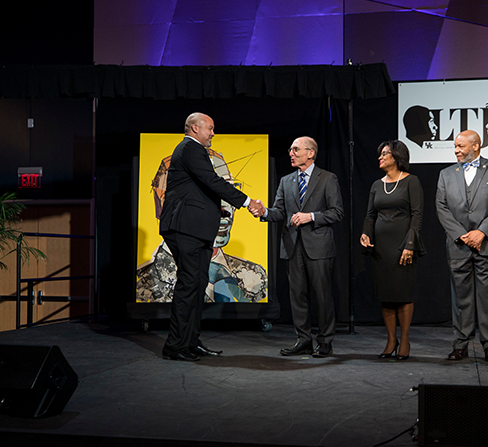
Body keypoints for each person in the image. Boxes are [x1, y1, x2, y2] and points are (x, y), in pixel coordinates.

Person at [159, 112, 262, 362]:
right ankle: (175, 346)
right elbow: (211, 181)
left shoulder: (192, 150)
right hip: (185, 228)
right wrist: (247, 201)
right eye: (210, 128)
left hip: (195, 229)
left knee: (196, 285)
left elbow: (197, 189)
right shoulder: (191, 148)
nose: (213, 133)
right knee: (189, 285)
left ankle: (190, 342)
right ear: (195, 128)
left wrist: (218, 210)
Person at [251, 137, 343, 357]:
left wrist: (311, 216)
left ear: (310, 153)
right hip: (292, 247)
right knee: (297, 297)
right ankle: (303, 340)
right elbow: (279, 212)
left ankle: (325, 341)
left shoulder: (327, 178)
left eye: (295, 149)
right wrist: (264, 212)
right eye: (290, 150)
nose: (291, 153)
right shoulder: (286, 181)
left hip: (318, 247)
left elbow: (337, 212)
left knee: (322, 296)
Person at [137, 152, 268, 304]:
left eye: (227, 190)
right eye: (200, 196)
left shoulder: (254, 278)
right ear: (160, 207)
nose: (223, 208)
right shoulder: (144, 286)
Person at [436, 129, 488, 362]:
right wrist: (461, 235)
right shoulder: (446, 174)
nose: (456, 150)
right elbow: (441, 207)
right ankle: (461, 344)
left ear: (475, 146)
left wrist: (481, 232)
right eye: (455, 146)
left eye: (460, 146)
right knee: (461, 297)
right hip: (458, 245)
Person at [360, 140, 424, 360]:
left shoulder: (411, 181)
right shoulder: (376, 185)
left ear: (397, 157)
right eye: (380, 154)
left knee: (403, 294)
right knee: (386, 295)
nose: (380, 157)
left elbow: (417, 215)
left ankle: (404, 340)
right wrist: (366, 233)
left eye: (385, 154)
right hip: (381, 248)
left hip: (402, 245)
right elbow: (370, 215)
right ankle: (391, 340)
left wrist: (410, 244)